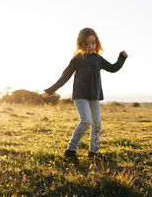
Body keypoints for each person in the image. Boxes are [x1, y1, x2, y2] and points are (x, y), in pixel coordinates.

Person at [43, 27, 128, 164]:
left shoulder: (98, 59)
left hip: (94, 96)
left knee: (97, 125)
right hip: (80, 95)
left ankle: (93, 153)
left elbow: (113, 68)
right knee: (86, 121)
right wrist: (51, 90)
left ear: (97, 43)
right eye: (87, 43)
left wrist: (121, 58)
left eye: (93, 43)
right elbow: (64, 77)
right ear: (81, 44)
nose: (90, 46)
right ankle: (70, 151)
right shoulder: (77, 59)